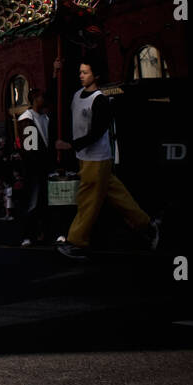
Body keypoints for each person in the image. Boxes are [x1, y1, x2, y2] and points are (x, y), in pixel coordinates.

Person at [55, 59, 156, 259]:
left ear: (96, 76)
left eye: (85, 72)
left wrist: (69, 145)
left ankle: (77, 241)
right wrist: (55, 71)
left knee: (88, 200)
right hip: (86, 158)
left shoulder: (100, 100)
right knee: (119, 196)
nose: (81, 75)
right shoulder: (77, 95)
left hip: (97, 159)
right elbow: (56, 95)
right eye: (80, 72)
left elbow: (96, 133)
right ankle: (146, 225)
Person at [17, 89, 52, 246]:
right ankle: (28, 234)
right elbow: (29, 148)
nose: (43, 100)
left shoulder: (44, 117)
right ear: (35, 99)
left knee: (42, 202)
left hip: (42, 167)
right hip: (34, 169)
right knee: (32, 202)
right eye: (41, 97)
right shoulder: (27, 118)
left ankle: (40, 232)